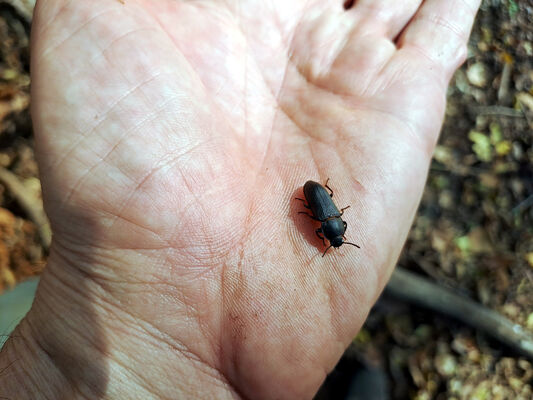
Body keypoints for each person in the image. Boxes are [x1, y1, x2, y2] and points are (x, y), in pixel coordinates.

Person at [0, 0, 480, 398]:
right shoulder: (325, 221)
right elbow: (317, 205)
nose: (331, 235)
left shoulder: (324, 219)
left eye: (332, 235)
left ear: (331, 225)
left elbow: (318, 204)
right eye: (334, 235)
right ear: (334, 227)